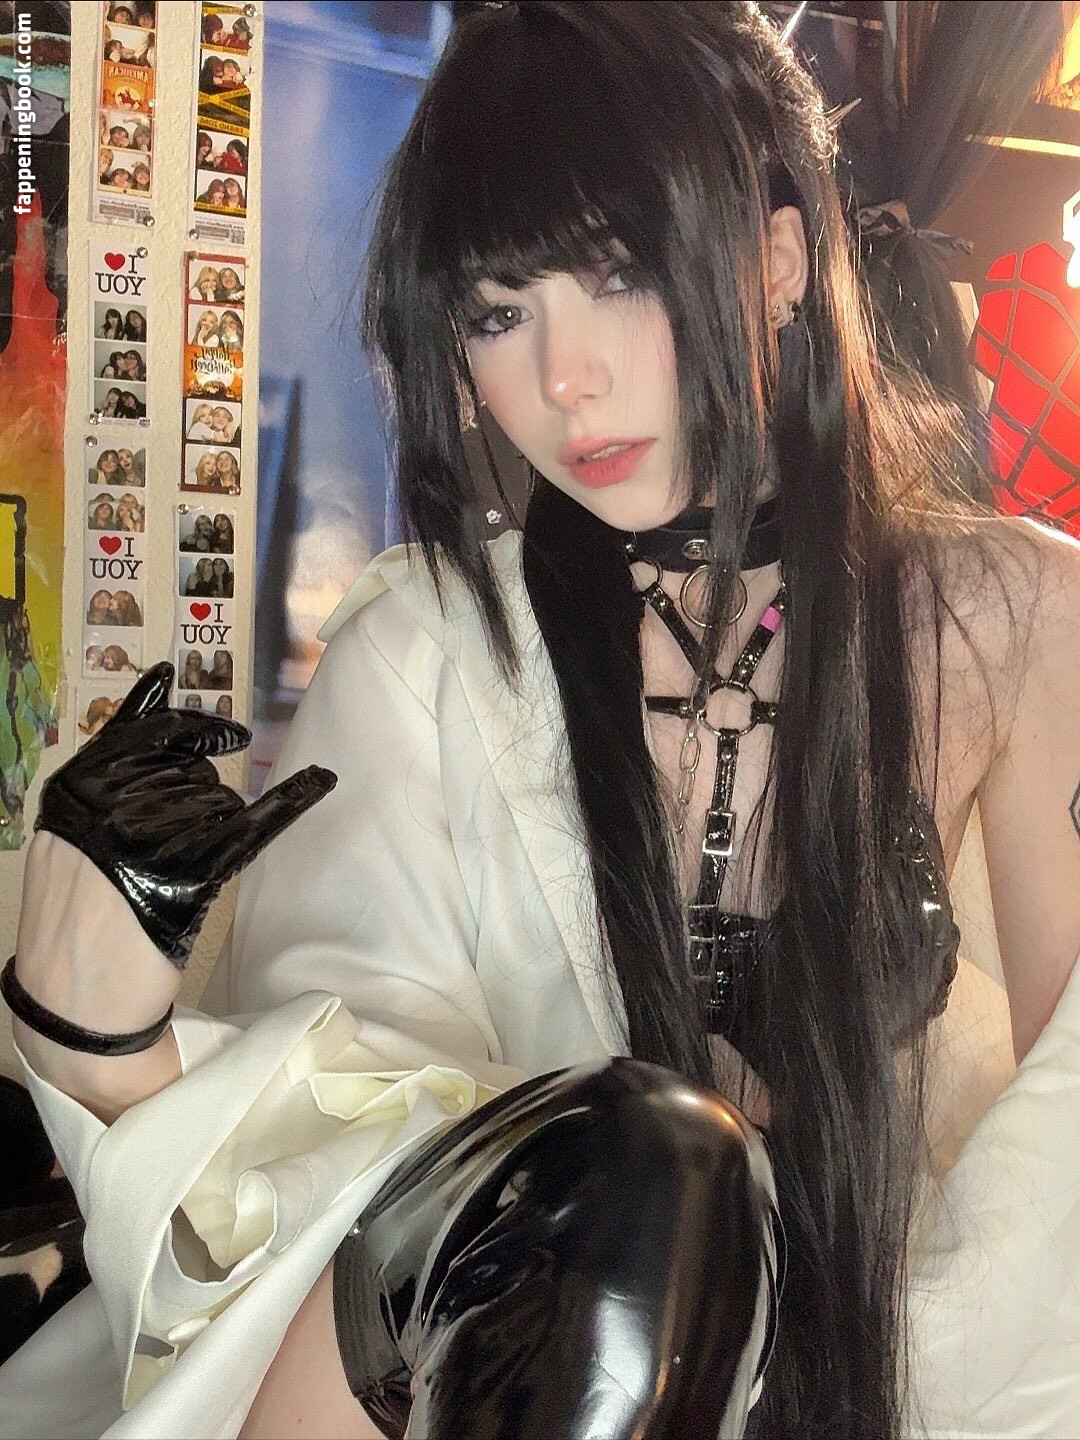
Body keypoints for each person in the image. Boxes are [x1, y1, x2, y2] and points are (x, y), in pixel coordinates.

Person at [2, 6, 1078, 1440]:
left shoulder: (1010, 620)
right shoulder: (427, 650)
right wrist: (93, 1034)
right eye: (500, 313)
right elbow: (337, 1171)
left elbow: (1060, 1159)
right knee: (635, 1180)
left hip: (875, 1387)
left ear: (778, 258)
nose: (564, 380)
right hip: (459, 1392)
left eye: (619, 273)